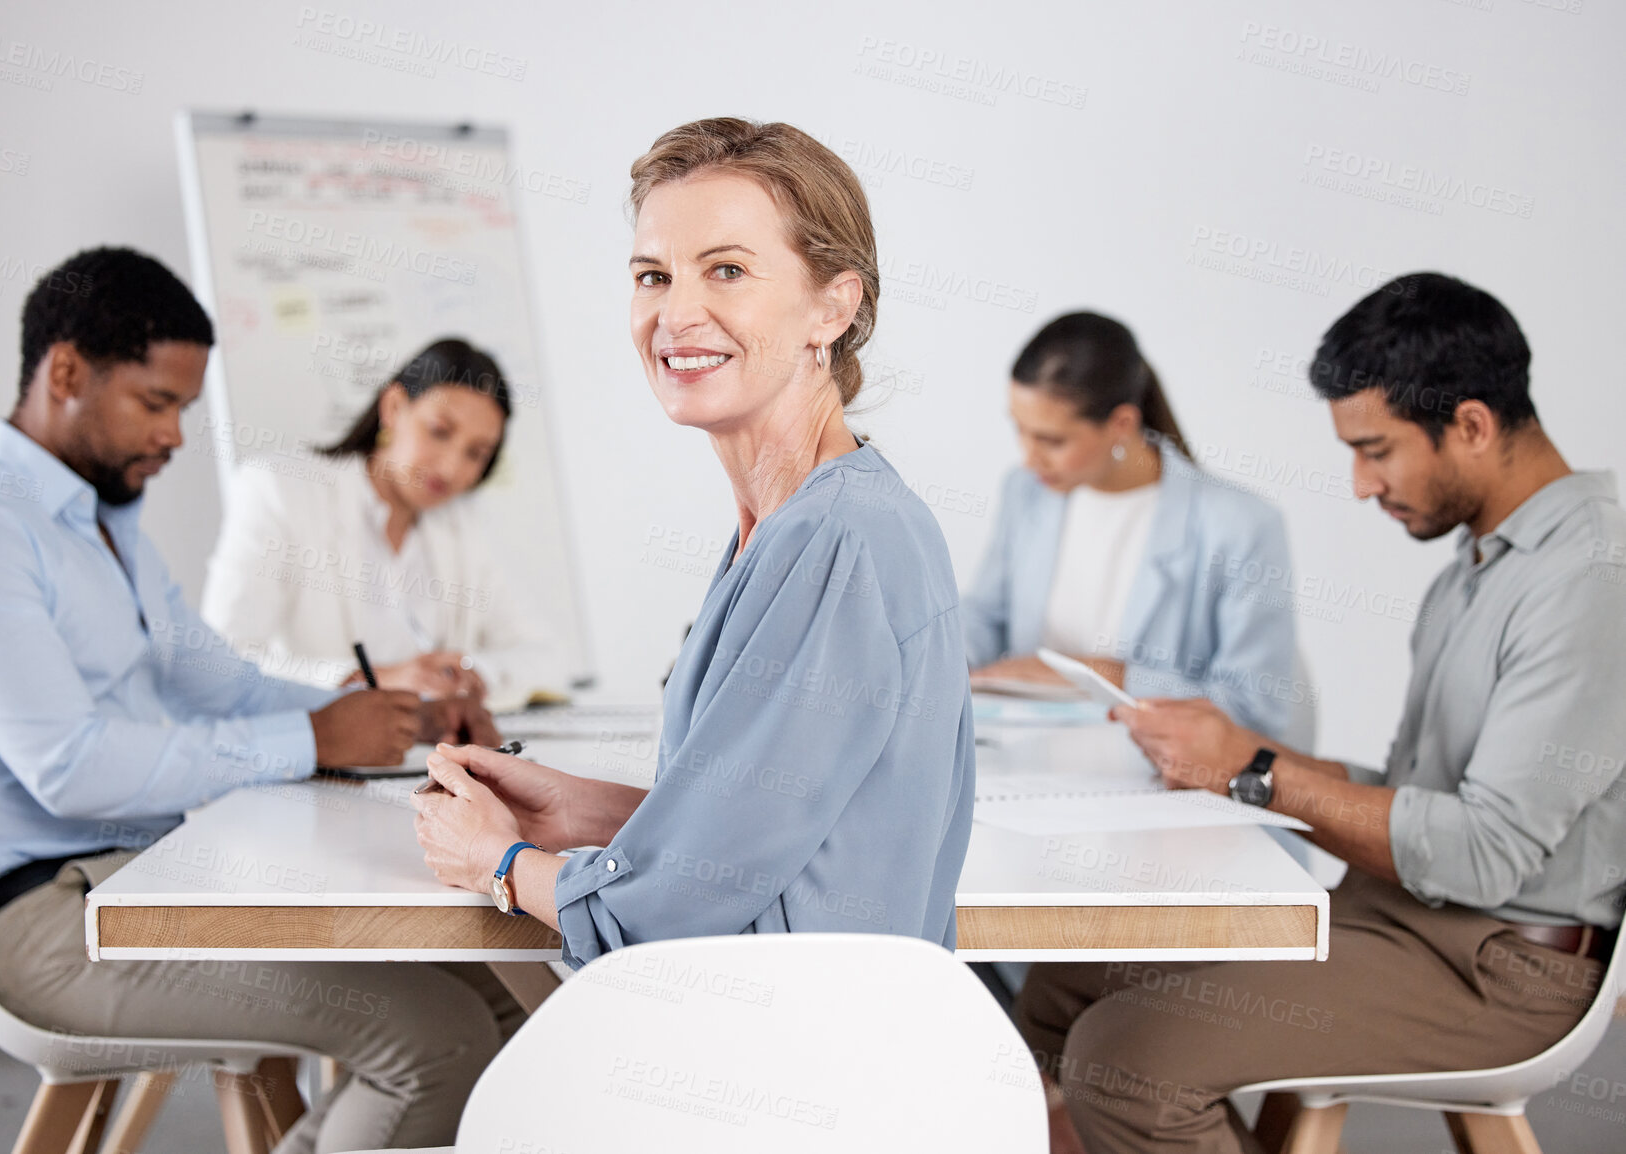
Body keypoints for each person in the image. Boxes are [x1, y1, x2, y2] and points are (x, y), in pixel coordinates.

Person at [0, 248, 517, 1153]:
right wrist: (309, 736)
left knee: (495, 982)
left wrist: (384, 715)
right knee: (435, 1037)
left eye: (183, 409)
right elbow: (70, 768)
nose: (177, 437)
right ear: (64, 372)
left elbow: (223, 684)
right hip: (49, 926)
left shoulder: (110, 534)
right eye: (157, 404)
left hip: (153, 883)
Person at [1014, 273, 1625, 1154]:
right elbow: (1415, 796)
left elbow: (1485, 852)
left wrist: (1257, 776)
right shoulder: (1478, 568)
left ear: (1472, 424)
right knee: (1065, 983)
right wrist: (1236, 748)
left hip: (1495, 966)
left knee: (1124, 1059)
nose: (1358, 483)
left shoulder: (1587, 580)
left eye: (1375, 449)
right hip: (1398, 913)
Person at [412, 117, 976, 968]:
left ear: (834, 304)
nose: (676, 313)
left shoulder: (838, 543)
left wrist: (497, 863)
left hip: (774, 1053)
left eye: (727, 270)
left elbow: (667, 916)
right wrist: (580, 811)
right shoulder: (795, 524)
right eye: (652, 275)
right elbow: (771, 829)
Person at [964, 311, 1307, 742]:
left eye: (1052, 440)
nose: (1029, 457)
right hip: (1029, 758)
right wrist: (946, 655)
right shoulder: (1026, 491)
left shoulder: (1241, 526)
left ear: (1121, 425)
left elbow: (1256, 711)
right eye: (1021, 430)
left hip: (1157, 781)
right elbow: (987, 615)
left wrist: (1102, 675)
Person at [202, 338, 567, 712]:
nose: (451, 468)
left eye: (476, 454)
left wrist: (470, 673)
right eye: (439, 431)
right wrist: (367, 681)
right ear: (394, 407)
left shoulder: (464, 523)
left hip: (436, 753)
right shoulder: (279, 490)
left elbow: (547, 659)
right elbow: (220, 664)